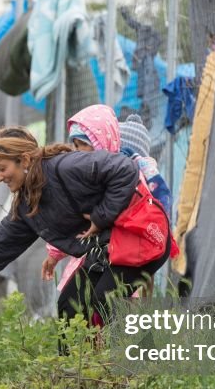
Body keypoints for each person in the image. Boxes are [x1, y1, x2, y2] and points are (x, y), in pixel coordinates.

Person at [0, 126, 168, 351]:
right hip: (109, 246)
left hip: (143, 236)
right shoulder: (29, 204)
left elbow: (124, 168)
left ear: (25, 160)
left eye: (2, 168)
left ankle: (140, 365)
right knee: (70, 304)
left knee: (105, 299)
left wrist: (100, 217)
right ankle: (73, 375)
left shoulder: (66, 167)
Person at [42, 106, 172, 310]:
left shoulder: (129, 176)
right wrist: (54, 253)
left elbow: (156, 208)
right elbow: (75, 221)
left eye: (83, 145)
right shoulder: (88, 176)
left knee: (109, 303)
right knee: (73, 302)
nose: (77, 152)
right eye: (74, 146)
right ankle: (88, 339)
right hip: (102, 252)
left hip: (132, 250)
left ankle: (117, 338)